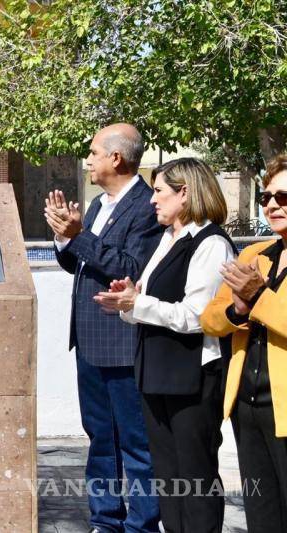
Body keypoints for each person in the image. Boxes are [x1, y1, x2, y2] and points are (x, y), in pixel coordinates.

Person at [95, 158, 235, 532]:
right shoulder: (166, 239)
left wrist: (136, 304)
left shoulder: (211, 243)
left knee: (195, 477)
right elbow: (147, 302)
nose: (152, 200)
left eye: (159, 191)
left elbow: (196, 315)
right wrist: (128, 302)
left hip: (192, 378)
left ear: (185, 193)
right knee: (168, 479)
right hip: (156, 373)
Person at [44, 123, 163, 533]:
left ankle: (142, 524)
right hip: (90, 342)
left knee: (135, 442)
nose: (88, 160)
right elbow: (83, 265)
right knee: (99, 438)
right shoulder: (97, 206)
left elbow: (131, 268)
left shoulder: (147, 208)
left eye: (94, 152)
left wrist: (79, 237)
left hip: (123, 341)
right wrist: (65, 239)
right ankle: (104, 520)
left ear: (116, 158)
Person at [200, 153, 287, 533]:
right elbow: (210, 317)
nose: (270, 204)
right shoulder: (255, 254)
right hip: (248, 405)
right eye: (265, 197)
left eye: (283, 197)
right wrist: (237, 311)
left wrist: (259, 298)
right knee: (262, 514)